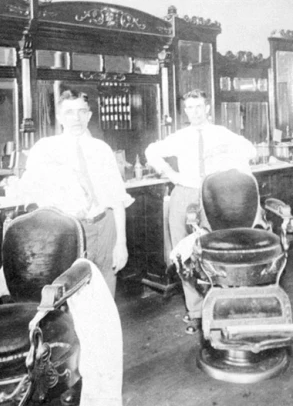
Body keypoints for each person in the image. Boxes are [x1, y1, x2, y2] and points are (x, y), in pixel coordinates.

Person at [145, 89, 256, 333]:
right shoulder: (180, 136)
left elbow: (250, 150)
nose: (194, 112)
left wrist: (227, 162)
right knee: (184, 253)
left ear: (207, 108)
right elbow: (151, 152)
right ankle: (194, 311)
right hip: (184, 192)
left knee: (215, 249)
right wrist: (171, 174)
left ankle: (220, 303)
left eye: (198, 107)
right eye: (189, 108)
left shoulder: (221, 133)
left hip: (214, 195)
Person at [20, 90, 132, 297]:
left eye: (82, 112)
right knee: (73, 293)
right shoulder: (45, 149)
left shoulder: (102, 149)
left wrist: (121, 244)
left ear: (89, 115)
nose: (76, 118)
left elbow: (117, 199)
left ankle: (103, 330)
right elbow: (30, 194)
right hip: (69, 228)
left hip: (105, 225)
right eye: (69, 112)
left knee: (106, 290)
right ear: (59, 118)